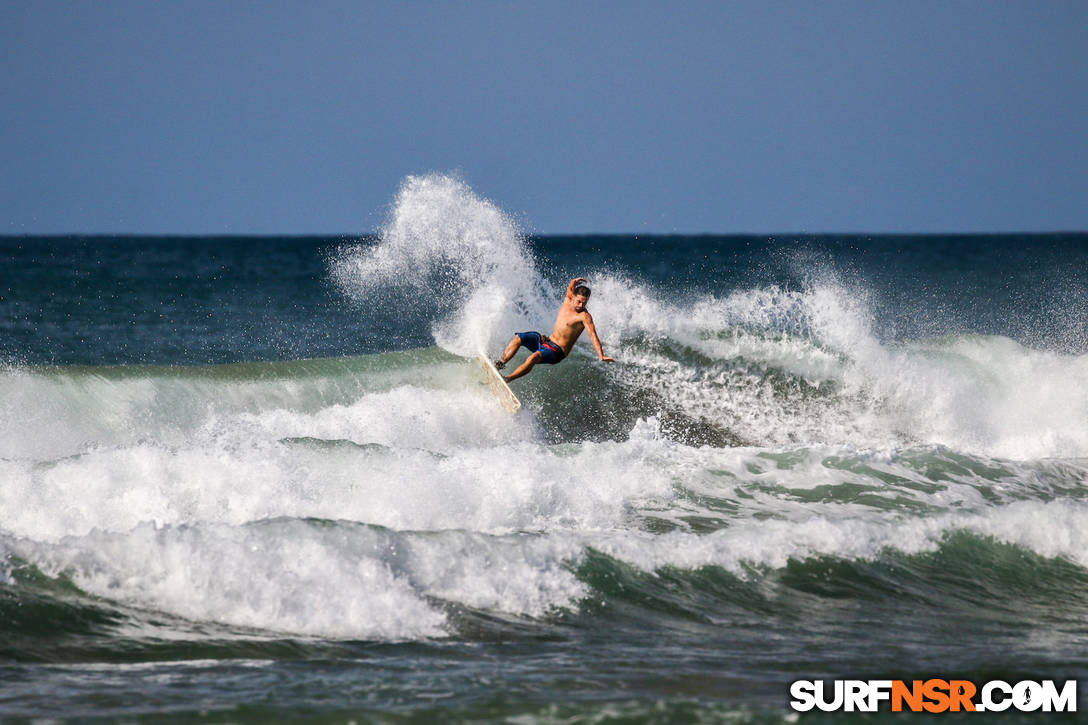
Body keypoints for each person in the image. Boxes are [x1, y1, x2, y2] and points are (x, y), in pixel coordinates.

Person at [494, 277, 615, 382]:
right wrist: (574, 281)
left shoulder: (584, 317)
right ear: (573, 298)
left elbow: (593, 335)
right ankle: (499, 365)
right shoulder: (568, 300)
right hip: (547, 341)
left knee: (532, 358)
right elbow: (570, 287)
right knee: (519, 338)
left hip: (557, 351)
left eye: (584, 303)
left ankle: (507, 379)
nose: (581, 305)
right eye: (579, 301)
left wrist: (601, 355)